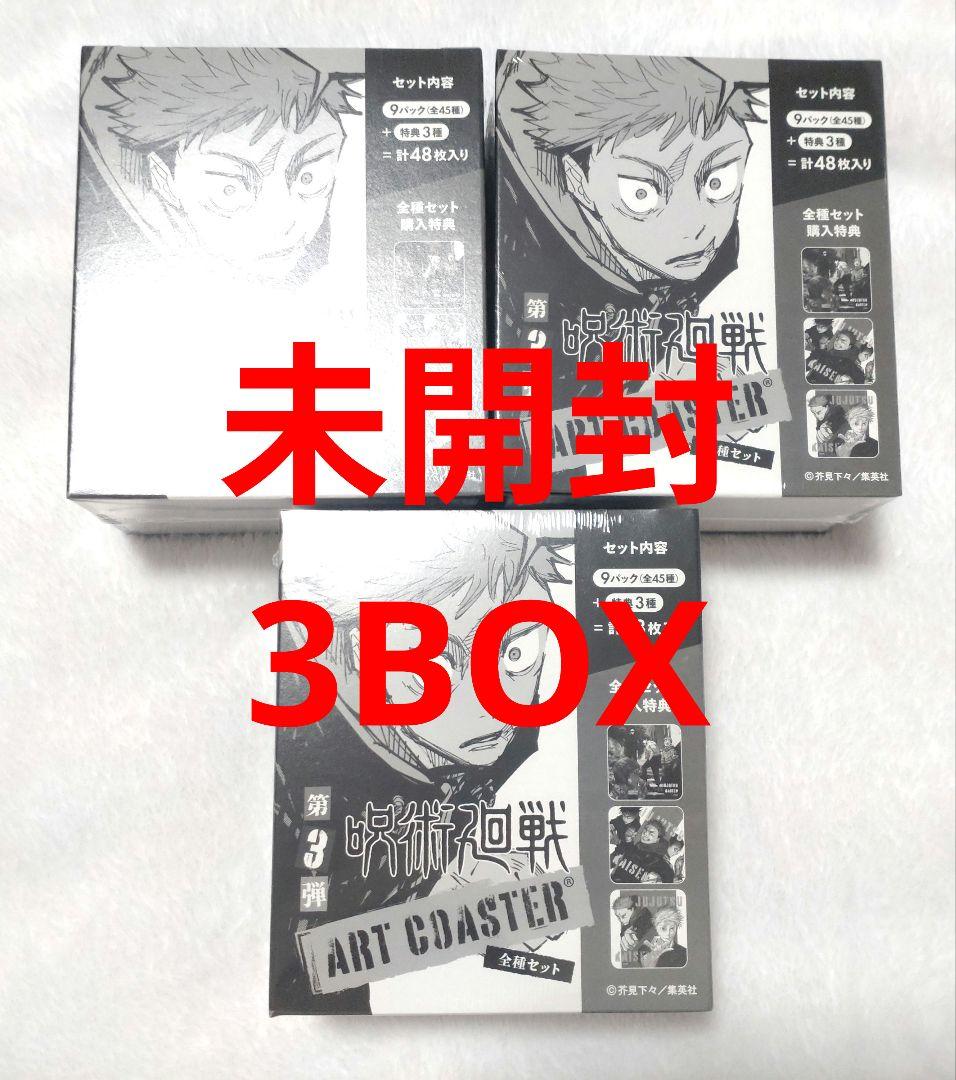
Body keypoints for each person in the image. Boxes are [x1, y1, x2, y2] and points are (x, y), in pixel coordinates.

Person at [271, 516, 572, 1013]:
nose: (492, 706)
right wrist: (444, 917)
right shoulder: (305, 780)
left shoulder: (512, 735)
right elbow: (303, 978)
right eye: (432, 665)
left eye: (517, 652)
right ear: (359, 651)